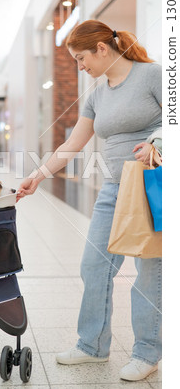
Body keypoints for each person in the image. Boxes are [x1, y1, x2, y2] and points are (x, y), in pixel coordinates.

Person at [17, 20, 162, 382]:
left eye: (81, 58)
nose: (80, 66)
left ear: (102, 48)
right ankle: (93, 345)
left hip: (151, 185)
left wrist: (158, 142)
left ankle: (147, 353)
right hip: (113, 188)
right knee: (94, 266)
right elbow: (72, 145)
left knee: (148, 273)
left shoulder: (152, 75)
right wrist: (38, 176)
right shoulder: (98, 94)